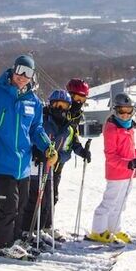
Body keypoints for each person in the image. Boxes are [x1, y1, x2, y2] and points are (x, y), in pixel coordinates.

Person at [0, 55, 57, 259]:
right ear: (13, 70)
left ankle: (14, 240)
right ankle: (2, 244)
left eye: (28, 73)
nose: (23, 76)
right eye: (20, 70)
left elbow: (36, 129)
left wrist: (47, 147)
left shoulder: (34, 101)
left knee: (21, 205)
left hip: (23, 164)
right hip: (0, 162)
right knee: (8, 207)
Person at [22, 89, 90, 248]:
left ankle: (40, 229)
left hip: (52, 166)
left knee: (48, 200)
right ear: (50, 105)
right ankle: (27, 230)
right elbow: (32, 136)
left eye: (63, 105)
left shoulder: (69, 126)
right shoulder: (43, 121)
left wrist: (82, 152)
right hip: (36, 165)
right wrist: (36, 151)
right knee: (35, 198)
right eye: (56, 104)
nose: (59, 108)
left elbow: (73, 144)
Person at [87, 93, 136, 244]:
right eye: (121, 111)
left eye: (128, 111)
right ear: (115, 110)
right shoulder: (112, 129)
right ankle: (98, 231)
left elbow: (129, 149)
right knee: (109, 202)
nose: (125, 115)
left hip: (128, 173)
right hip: (116, 173)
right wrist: (129, 163)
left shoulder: (129, 127)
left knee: (120, 204)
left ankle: (114, 229)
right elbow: (111, 156)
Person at [44, 78, 91, 238]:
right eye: (75, 97)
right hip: (44, 159)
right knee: (41, 194)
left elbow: (72, 136)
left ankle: (46, 225)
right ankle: (37, 225)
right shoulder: (56, 108)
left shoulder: (76, 114)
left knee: (52, 194)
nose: (78, 102)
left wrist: (81, 150)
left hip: (60, 160)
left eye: (82, 99)